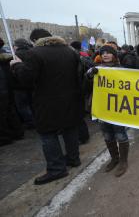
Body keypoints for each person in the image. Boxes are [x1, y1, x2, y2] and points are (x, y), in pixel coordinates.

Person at [10, 29, 84, 185]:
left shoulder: (35, 53)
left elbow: (26, 79)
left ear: (35, 40)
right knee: (69, 129)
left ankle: (56, 169)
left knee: (47, 134)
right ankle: (73, 159)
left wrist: (16, 66)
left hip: (47, 103)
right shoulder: (70, 51)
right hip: (71, 100)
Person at [87, 45, 130, 177]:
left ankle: (123, 161)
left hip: (117, 108)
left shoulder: (121, 69)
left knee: (120, 134)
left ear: (114, 55)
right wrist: (90, 75)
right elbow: (86, 82)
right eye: (103, 53)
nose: (105, 55)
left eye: (108, 53)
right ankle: (114, 158)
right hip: (102, 107)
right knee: (107, 134)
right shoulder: (96, 69)